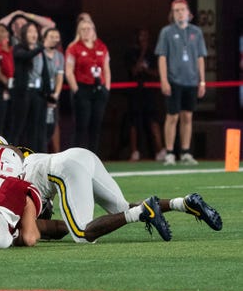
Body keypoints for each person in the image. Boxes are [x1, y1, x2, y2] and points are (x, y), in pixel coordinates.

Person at [22, 147, 222, 244]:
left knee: (82, 234)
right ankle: (184, 203)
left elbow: (54, 229)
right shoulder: (20, 165)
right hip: (81, 154)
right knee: (123, 209)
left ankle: (142, 212)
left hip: (63, 168)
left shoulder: (18, 198)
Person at [155, 0, 207, 166]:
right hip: (173, 80)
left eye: (182, 10)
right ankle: (170, 152)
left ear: (188, 13)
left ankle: (185, 151)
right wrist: (164, 80)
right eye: (176, 10)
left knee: (188, 116)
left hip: (191, 80)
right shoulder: (166, 32)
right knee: (172, 116)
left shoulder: (196, 32)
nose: (179, 13)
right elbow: (162, 57)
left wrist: (202, 81)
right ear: (172, 14)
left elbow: (200, 57)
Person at [64, 18, 111, 155]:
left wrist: (106, 88)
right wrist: (76, 90)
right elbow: (69, 71)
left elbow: (106, 69)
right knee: (81, 125)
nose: (86, 32)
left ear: (93, 31)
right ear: (79, 32)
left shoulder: (101, 46)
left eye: (88, 29)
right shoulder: (74, 48)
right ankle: (76, 157)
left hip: (98, 88)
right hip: (82, 88)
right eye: (83, 29)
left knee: (96, 125)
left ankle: (93, 157)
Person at [125, 27, 165, 161]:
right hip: (135, 91)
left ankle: (160, 150)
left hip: (150, 92)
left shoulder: (153, 54)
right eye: (141, 36)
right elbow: (133, 71)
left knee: (153, 120)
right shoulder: (131, 53)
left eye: (145, 36)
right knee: (134, 122)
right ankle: (134, 151)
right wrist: (141, 54)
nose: (143, 39)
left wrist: (146, 69)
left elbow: (157, 73)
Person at [7, 22, 43, 147]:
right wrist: (42, 48)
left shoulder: (40, 49)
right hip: (22, 92)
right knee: (18, 126)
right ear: (24, 34)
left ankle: (32, 158)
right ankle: (11, 154)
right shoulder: (18, 48)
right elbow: (27, 56)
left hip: (37, 92)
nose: (33, 34)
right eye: (30, 31)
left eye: (35, 31)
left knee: (34, 127)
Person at [42, 27, 65, 151]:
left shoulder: (60, 56)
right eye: (51, 37)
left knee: (53, 124)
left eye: (57, 37)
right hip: (40, 95)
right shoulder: (39, 53)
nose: (54, 40)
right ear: (44, 38)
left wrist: (56, 94)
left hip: (53, 96)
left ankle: (55, 153)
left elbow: (59, 76)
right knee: (40, 124)